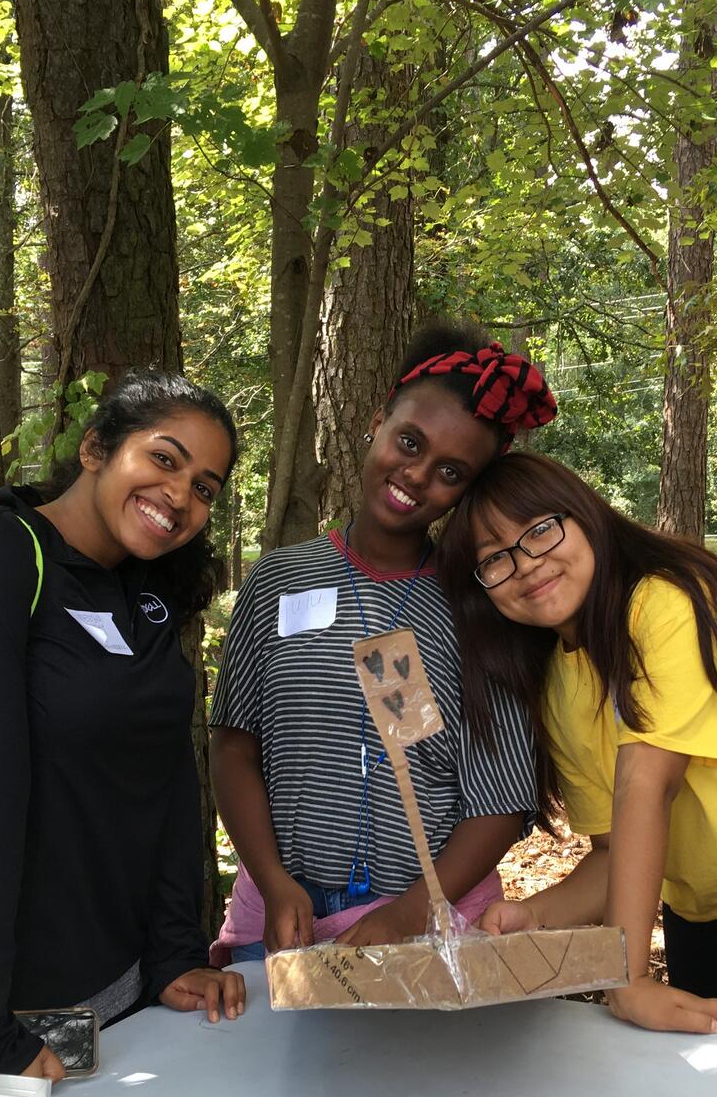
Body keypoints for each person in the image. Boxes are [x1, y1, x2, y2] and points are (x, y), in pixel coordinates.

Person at [437, 451, 717, 1040]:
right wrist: (536, 913)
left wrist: (625, 977)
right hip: (703, 914)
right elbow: (612, 850)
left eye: (539, 531)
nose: (526, 564)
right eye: (495, 559)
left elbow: (646, 785)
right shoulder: (558, 680)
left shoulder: (669, 601)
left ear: (585, 516)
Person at [209, 322, 557, 960]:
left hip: (430, 926)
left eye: (450, 471)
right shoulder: (279, 580)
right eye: (409, 442)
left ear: (468, 488)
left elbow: (504, 795)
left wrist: (408, 912)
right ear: (377, 421)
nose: (417, 474)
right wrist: (273, 880)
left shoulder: (480, 607)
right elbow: (235, 747)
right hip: (282, 917)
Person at [0, 372, 246, 1082]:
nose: (183, 495)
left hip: (118, 1000)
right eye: (164, 458)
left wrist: (174, 956)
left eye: (206, 487)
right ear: (96, 447)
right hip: (11, 1019)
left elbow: (165, 783)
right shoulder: (0, 558)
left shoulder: (150, 596)